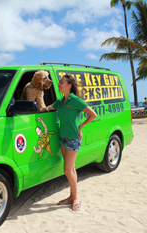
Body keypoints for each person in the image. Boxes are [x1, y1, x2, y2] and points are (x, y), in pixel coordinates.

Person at [47, 75, 97, 211]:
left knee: (67, 170)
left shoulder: (75, 100)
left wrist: (81, 126)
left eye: (62, 82)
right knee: (71, 169)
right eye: (59, 83)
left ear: (69, 85)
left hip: (73, 139)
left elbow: (93, 115)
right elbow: (47, 108)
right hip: (62, 138)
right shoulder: (60, 101)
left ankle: (76, 198)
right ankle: (71, 196)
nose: (59, 85)